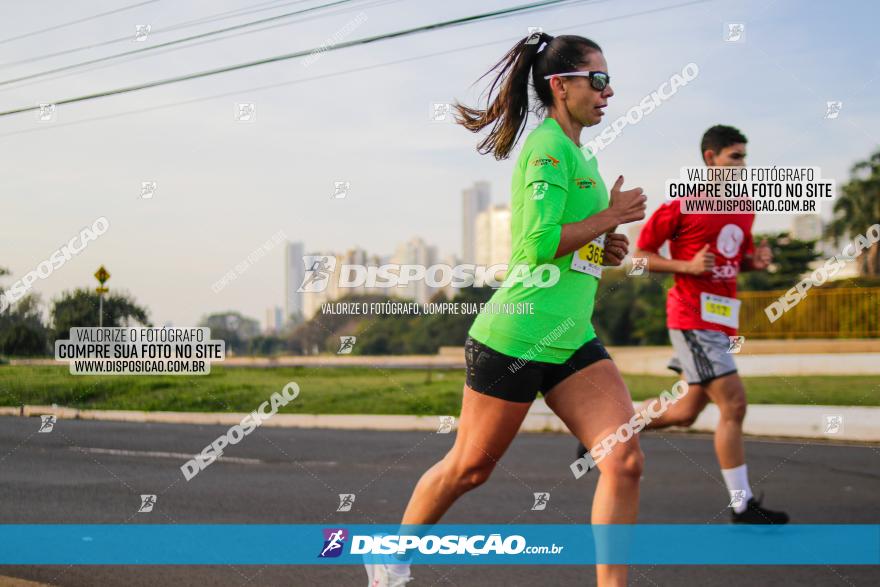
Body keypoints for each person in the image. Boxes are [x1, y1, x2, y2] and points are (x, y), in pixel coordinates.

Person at [365, 31, 647, 587]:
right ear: (560, 86)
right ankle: (391, 556)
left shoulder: (580, 154)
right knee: (470, 469)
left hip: (571, 338)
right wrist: (609, 218)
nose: (608, 91)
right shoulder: (546, 147)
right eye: (598, 79)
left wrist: (603, 246)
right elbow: (537, 245)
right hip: (515, 336)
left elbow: (569, 248)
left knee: (626, 460)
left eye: (609, 80)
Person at [632, 124, 789, 524]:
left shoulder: (745, 208)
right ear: (710, 159)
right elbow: (640, 257)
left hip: (721, 322)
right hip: (691, 318)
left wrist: (757, 262)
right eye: (735, 157)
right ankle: (742, 504)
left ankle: (606, 432)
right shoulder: (683, 206)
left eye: (744, 158)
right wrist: (684, 264)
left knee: (684, 413)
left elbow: (738, 260)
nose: (742, 165)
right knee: (734, 403)